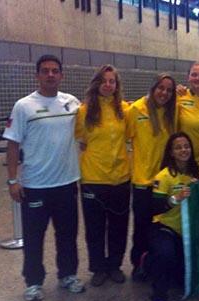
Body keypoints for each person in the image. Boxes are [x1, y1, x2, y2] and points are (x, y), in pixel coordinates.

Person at [3, 54, 85, 301]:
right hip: (35, 186)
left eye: (55, 71)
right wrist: (12, 180)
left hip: (67, 183)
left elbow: (92, 125)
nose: (50, 75)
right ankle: (34, 281)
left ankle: (68, 275)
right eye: (45, 71)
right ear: (37, 75)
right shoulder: (23, 106)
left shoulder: (72, 103)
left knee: (68, 235)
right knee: (34, 237)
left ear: (61, 75)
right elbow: (13, 145)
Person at [75, 65, 130, 286]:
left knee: (119, 226)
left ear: (117, 86)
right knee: (95, 227)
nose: (108, 85)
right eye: (104, 81)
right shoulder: (83, 111)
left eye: (112, 81)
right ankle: (98, 267)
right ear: (97, 83)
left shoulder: (125, 110)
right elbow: (81, 141)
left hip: (120, 178)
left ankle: (114, 265)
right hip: (93, 179)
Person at [144, 132, 199, 301]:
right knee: (165, 255)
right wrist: (175, 199)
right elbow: (154, 208)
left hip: (187, 231)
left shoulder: (198, 173)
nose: (183, 150)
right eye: (178, 147)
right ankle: (158, 297)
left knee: (181, 278)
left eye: (186, 146)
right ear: (171, 152)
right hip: (165, 228)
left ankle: (150, 262)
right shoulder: (164, 176)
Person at [126, 73, 177, 281]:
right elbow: (122, 137)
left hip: (164, 182)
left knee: (161, 226)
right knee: (141, 227)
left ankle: (156, 263)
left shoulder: (173, 112)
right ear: (153, 88)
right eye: (161, 88)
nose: (164, 93)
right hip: (143, 182)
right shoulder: (136, 109)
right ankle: (138, 264)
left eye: (169, 90)